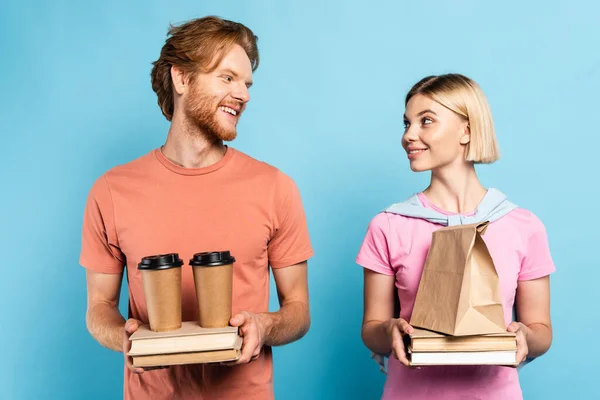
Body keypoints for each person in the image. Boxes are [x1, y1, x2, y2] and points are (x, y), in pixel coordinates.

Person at [80, 16, 313, 400]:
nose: (244, 94)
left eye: (247, 83)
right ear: (182, 79)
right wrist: (122, 336)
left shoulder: (275, 188)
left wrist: (263, 326)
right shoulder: (111, 191)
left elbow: (299, 310)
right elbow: (100, 306)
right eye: (227, 78)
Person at [356, 73, 554, 400]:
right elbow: (371, 328)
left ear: (466, 130)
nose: (409, 135)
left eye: (426, 121)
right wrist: (389, 330)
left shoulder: (522, 225)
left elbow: (542, 332)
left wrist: (524, 336)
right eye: (407, 124)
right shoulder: (389, 224)